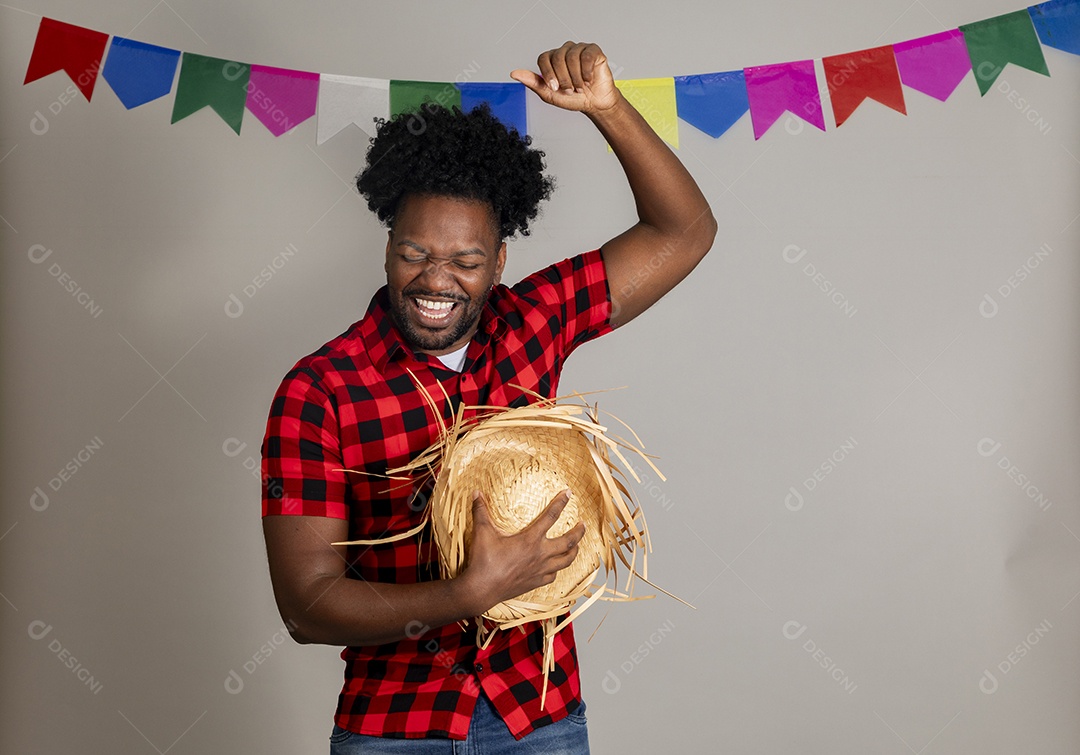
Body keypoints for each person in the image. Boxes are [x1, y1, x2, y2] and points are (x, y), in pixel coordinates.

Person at [260, 41, 716, 753]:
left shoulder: (533, 321)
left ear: (499, 260)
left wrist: (608, 109)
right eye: (415, 252)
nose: (436, 279)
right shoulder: (320, 391)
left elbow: (685, 231)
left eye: (466, 261)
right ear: (387, 245)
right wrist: (468, 593)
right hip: (394, 730)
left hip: (540, 719)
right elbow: (307, 605)